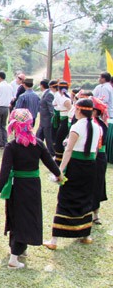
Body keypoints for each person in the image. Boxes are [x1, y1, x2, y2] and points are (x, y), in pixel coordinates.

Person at [0, 109, 63, 269]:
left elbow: (5, 170)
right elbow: (50, 163)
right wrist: (59, 175)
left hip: (17, 186)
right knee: (29, 216)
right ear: (30, 124)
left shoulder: (12, 146)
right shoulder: (37, 143)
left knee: (17, 216)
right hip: (33, 186)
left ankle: (15, 255)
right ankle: (18, 251)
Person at [44, 98, 101, 249]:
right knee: (85, 198)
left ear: (78, 110)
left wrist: (60, 170)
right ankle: (86, 234)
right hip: (90, 166)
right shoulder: (96, 126)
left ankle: (54, 240)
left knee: (66, 198)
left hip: (75, 166)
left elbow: (68, 150)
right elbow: (94, 150)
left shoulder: (77, 127)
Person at [90, 97, 108, 225]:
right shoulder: (93, 123)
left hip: (97, 157)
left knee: (97, 185)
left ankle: (95, 213)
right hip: (96, 158)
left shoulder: (98, 125)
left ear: (95, 111)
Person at [93, 72, 113, 164]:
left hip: (105, 114)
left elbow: (104, 100)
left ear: (104, 79)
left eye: (100, 77)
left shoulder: (105, 87)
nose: (98, 79)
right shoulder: (103, 87)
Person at [52, 80, 72, 165]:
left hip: (65, 120)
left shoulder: (65, 99)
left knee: (60, 140)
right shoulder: (60, 97)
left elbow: (71, 111)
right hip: (61, 119)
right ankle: (58, 159)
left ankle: (60, 160)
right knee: (58, 139)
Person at [36, 79, 55, 156]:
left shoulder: (49, 94)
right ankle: (37, 151)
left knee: (48, 139)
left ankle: (52, 153)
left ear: (42, 85)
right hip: (43, 120)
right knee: (38, 136)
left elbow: (51, 109)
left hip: (47, 121)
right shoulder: (45, 93)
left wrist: (52, 120)